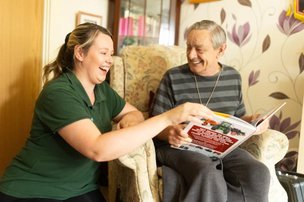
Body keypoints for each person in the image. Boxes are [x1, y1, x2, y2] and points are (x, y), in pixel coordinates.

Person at [0, 23, 214, 202]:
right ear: (80, 53)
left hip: (81, 189)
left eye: (111, 54)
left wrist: (129, 121)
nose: (110, 60)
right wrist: (168, 117)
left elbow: (136, 114)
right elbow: (97, 149)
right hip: (35, 189)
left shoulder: (102, 90)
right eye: (103, 53)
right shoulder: (58, 93)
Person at [150, 20, 271, 202]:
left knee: (258, 172)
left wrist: (254, 121)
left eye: (199, 49)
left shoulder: (233, 77)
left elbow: (237, 119)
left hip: (222, 147)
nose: (191, 55)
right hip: (179, 147)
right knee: (207, 171)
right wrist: (170, 132)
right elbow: (154, 125)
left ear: (220, 50)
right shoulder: (172, 77)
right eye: (188, 47)